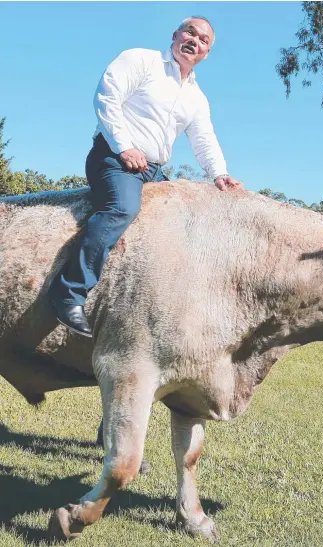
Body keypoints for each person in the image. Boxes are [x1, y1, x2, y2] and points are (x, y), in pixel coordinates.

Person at [49, 16, 243, 337]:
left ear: (206, 53)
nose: (195, 40)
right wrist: (124, 147)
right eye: (190, 32)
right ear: (175, 35)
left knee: (188, 225)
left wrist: (220, 174)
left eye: (204, 40)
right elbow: (106, 97)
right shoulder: (141, 60)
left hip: (154, 171)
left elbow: (204, 138)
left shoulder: (196, 97)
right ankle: (69, 292)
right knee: (122, 209)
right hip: (113, 158)